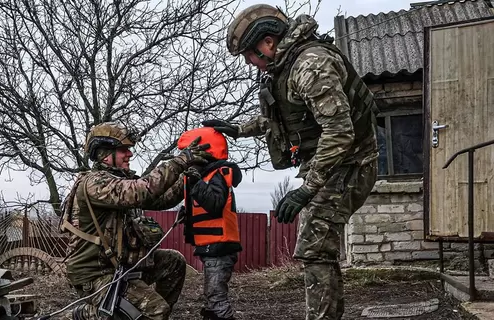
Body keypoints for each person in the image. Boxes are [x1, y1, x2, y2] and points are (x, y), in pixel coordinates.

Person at [202, 4, 379, 320]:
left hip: (353, 162)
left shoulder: (310, 66)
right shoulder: (286, 68)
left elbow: (340, 133)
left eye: (250, 55)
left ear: (267, 42)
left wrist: (306, 190)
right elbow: (284, 118)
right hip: (332, 163)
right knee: (316, 248)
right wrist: (239, 130)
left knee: (314, 247)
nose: (250, 63)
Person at [60, 121, 214, 320]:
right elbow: (141, 191)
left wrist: (189, 177)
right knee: (156, 310)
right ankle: (88, 315)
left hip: (120, 266)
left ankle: (140, 313)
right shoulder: (94, 183)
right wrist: (181, 161)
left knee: (173, 262)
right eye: (124, 150)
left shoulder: (117, 180)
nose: (130, 154)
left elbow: (159, 198)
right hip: (95, 275)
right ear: (105, 154)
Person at [177, 127, 242, 320]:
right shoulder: (206, 176)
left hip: (220, 246)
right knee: (211, 295)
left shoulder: (218, 174)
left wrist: (196, 184)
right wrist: (186, 213)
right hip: (211, 246)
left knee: (216, 296)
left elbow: (214, 204)